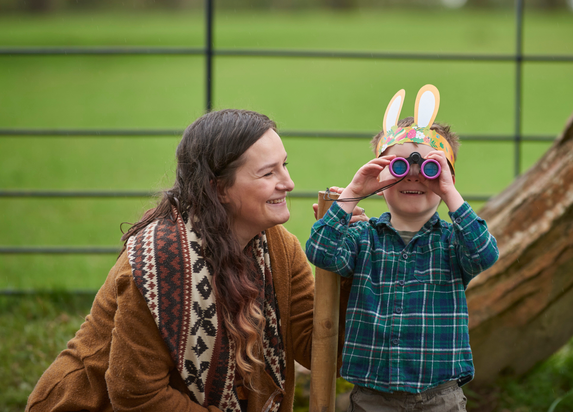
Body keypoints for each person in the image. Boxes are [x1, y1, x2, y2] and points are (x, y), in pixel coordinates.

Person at [26, 109, 357, 412]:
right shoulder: (162, 261)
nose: (288, 183)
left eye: (284, 165)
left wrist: (348, 270)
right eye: (268, 173)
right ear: (219, 189)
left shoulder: (279, 248)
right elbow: (137, 393)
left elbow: (319, 349)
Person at [305, 86, 500, 412]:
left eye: (429, 168)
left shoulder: (453, 243)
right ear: (380, 181)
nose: (413, 176)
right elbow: (321, 251)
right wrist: (352, 193)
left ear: (446, 179)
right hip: (372, 397)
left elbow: (485, 253)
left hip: (441, 396)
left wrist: (452, 195)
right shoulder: (363, 238)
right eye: (398, 167)